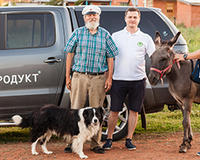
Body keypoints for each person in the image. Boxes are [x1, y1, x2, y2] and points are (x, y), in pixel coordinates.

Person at [64, 5, 118, 154]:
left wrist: (109, 78)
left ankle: (95, 143)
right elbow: (69, 53)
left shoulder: (105, 35)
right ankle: (71, 142)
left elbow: (111, 57)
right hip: (79, 76)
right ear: (84, 17)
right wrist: (67, 76)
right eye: (89, 15)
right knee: (75, 110)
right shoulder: (78, 33)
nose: (92, 17)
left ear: (99, 17)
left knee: (97, 112)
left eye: (94, 15)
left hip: (98, 78)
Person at [103, 7, 155, 150]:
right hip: (118, 79)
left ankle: (129, 139)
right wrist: (108, 77)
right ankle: (109, 138)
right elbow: (109, 57)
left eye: (135, 17)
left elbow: (155, 57)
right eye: (130, 17)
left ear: (139, 19)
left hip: (138, 80)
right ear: (125, 18)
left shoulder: (145, 38)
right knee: (114, 111)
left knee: (134, 110)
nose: (132, 20)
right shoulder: (116, 36)